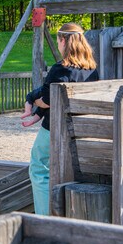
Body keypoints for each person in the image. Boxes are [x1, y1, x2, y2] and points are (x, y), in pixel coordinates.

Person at [29, 22, 98, 215]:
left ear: (63, 40)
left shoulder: (60, 68)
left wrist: (33, 99)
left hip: (57, 129)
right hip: (83, 131)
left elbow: (47, 99)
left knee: (39, 166)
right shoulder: (92, 70)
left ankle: (43, 218)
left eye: (58, 39)